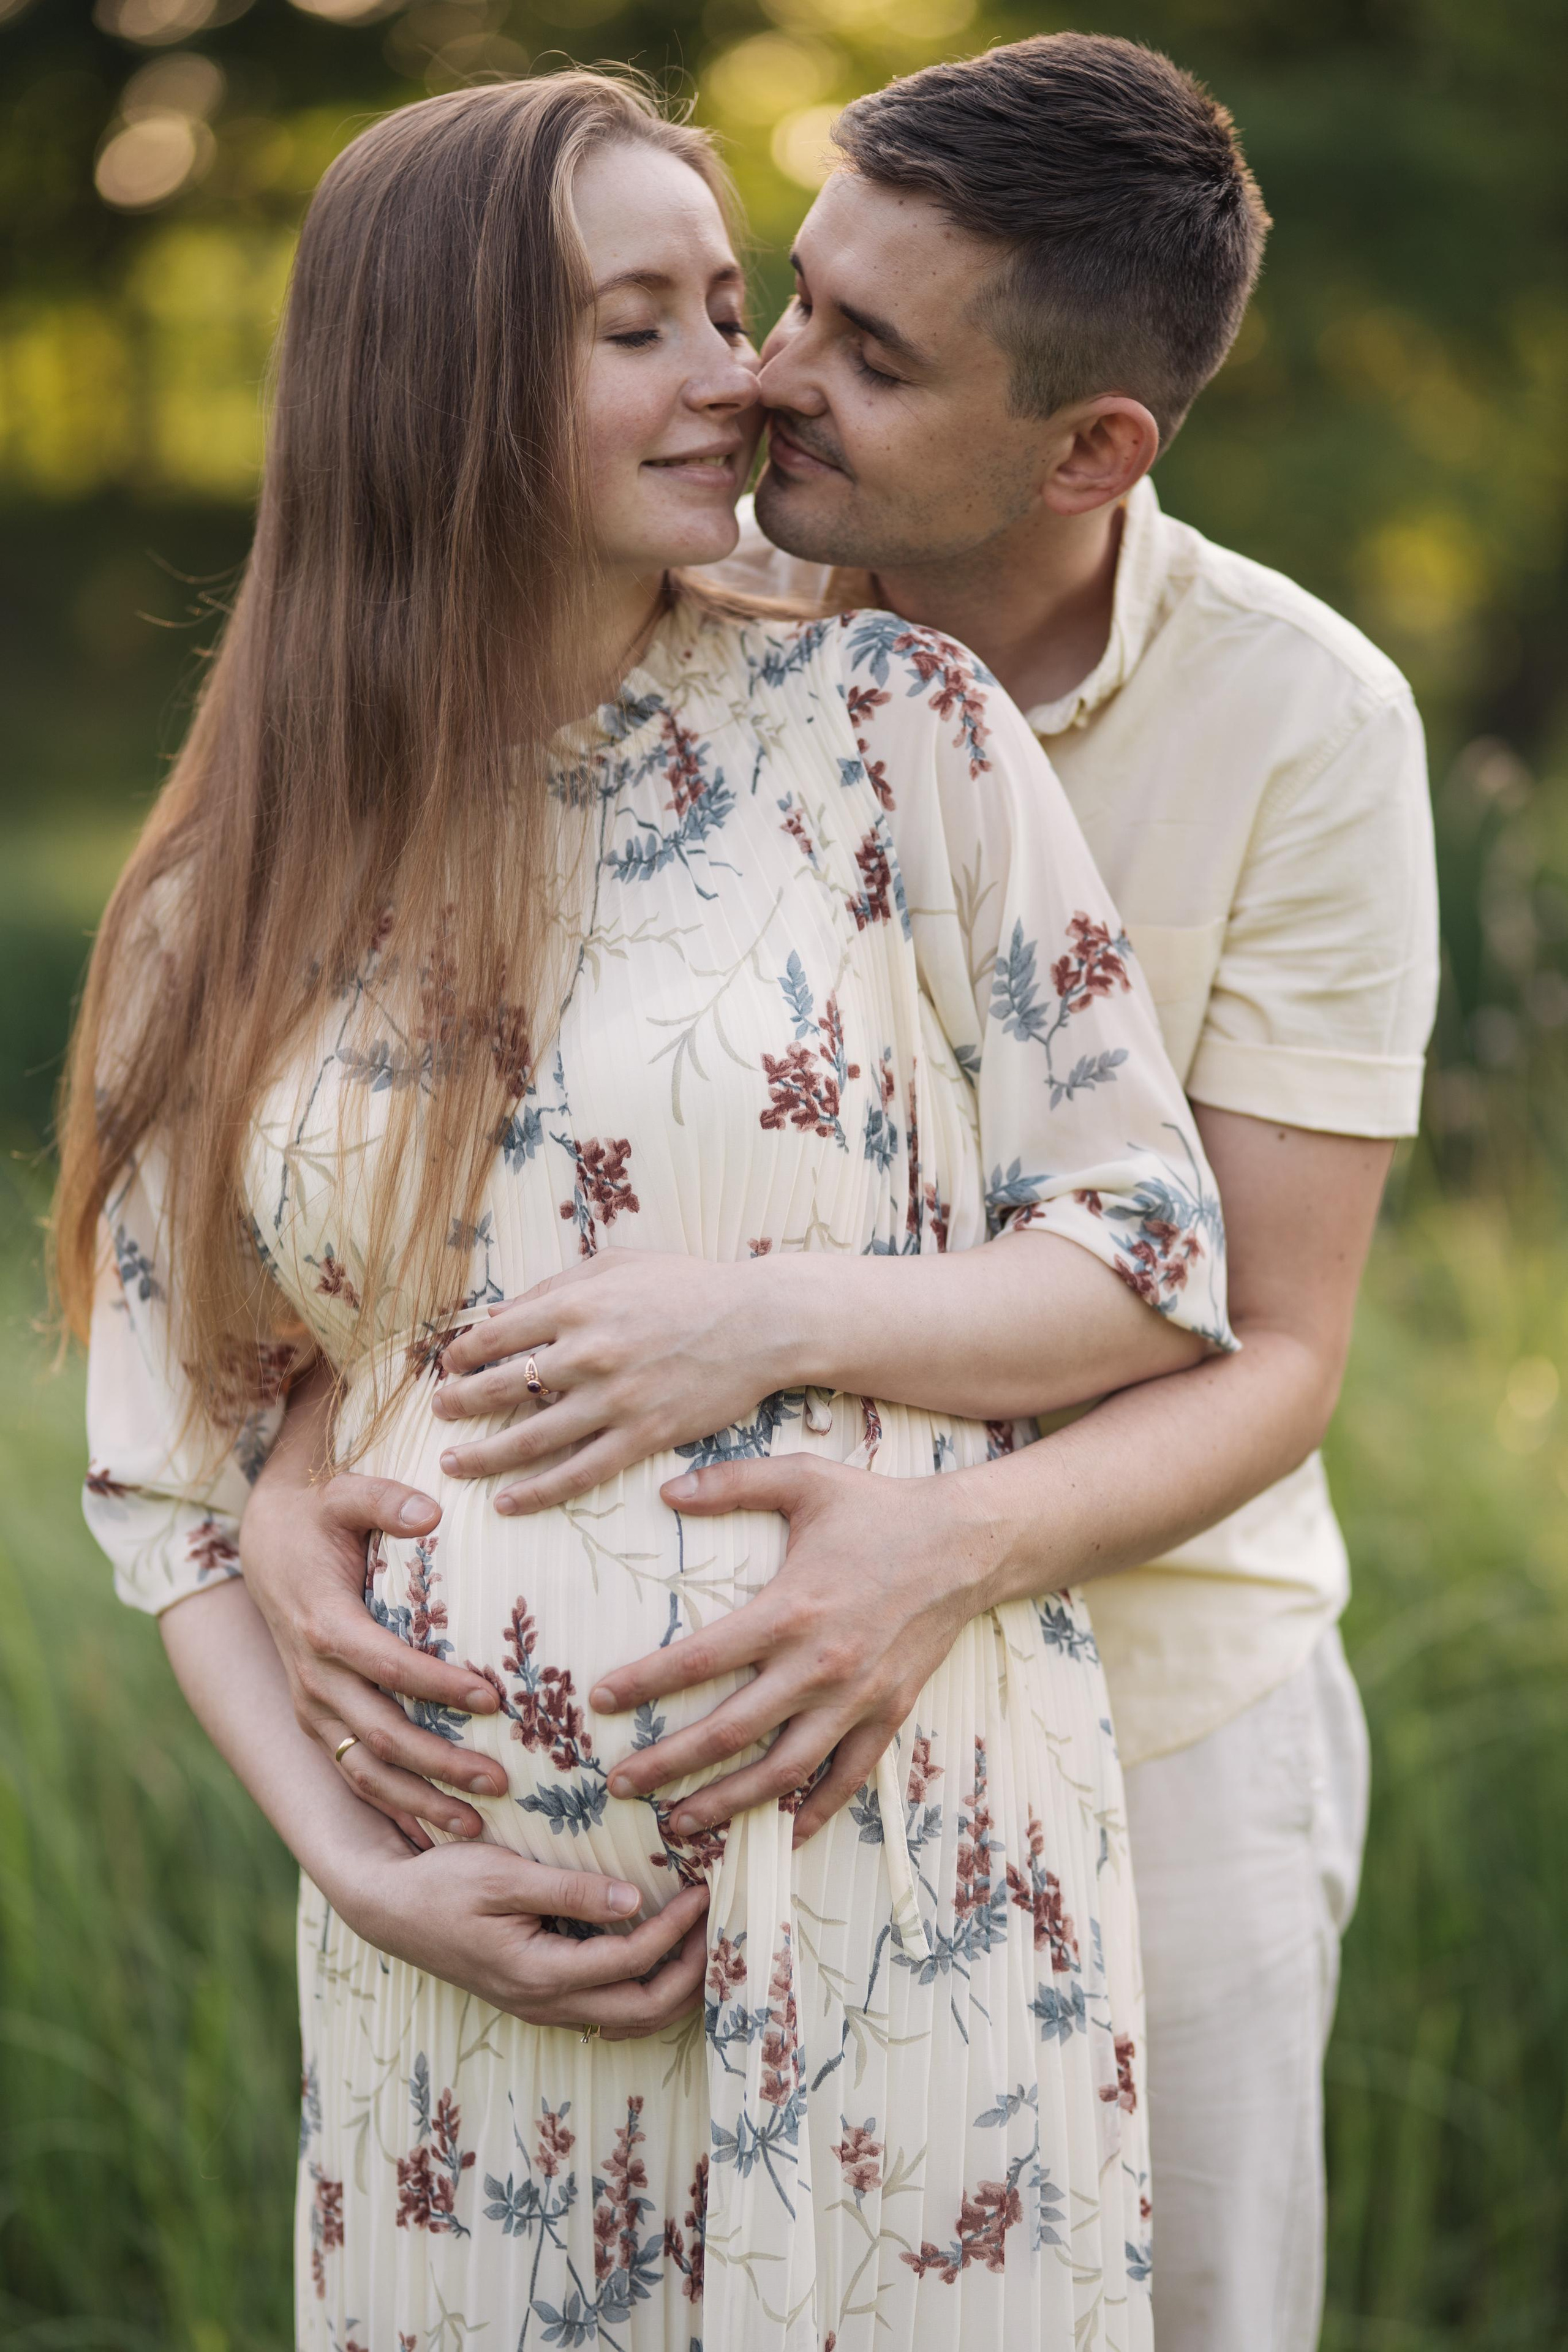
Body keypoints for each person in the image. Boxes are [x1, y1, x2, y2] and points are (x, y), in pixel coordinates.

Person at [239, 34, 1440, 2352]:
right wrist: (307, 1455)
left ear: (1091, 447)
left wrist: (935, 1550)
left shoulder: (1304, 725)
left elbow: (1273, 1341)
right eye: (792, 295)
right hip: (664, 1843)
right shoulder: (689, 606)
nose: (767, 378)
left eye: (869, 354)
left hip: (1160, 1724)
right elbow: (447, 1175)